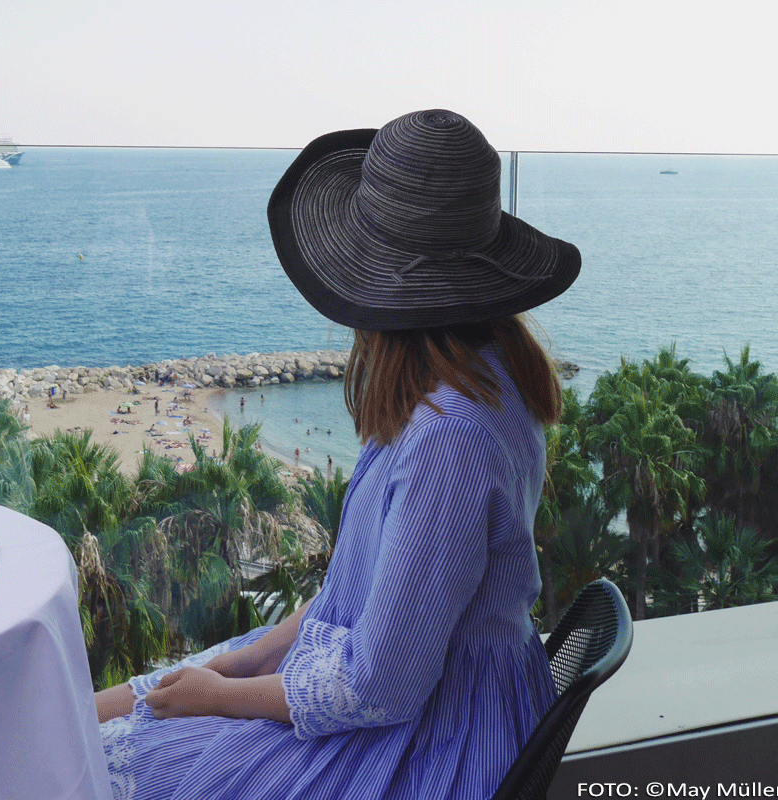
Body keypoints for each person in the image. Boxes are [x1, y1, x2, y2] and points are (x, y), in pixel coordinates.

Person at [96, 109, 581, 800]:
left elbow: (382, 685)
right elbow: (372, 599)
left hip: (431, 737)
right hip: (432, 690)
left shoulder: (450, 438)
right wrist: (258, 654)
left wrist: (224, 694)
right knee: (115, 713)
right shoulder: (485, 368)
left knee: (105, 759)